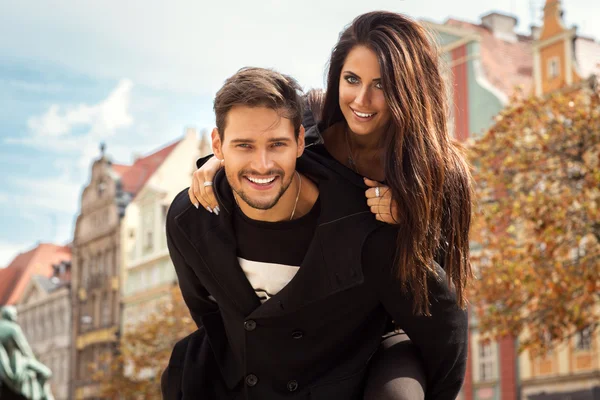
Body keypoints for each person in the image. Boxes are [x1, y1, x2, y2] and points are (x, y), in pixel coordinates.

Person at [186, 10, 473, 399]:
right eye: (351, 79)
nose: (362, 99)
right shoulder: (311, 117)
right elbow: (257, 139)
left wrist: (411, 224)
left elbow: (440, 298)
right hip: (321, 325)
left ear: (410, 89)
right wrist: (215, 162)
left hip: (387, 332)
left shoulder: (440, 172)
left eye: (382, 85)